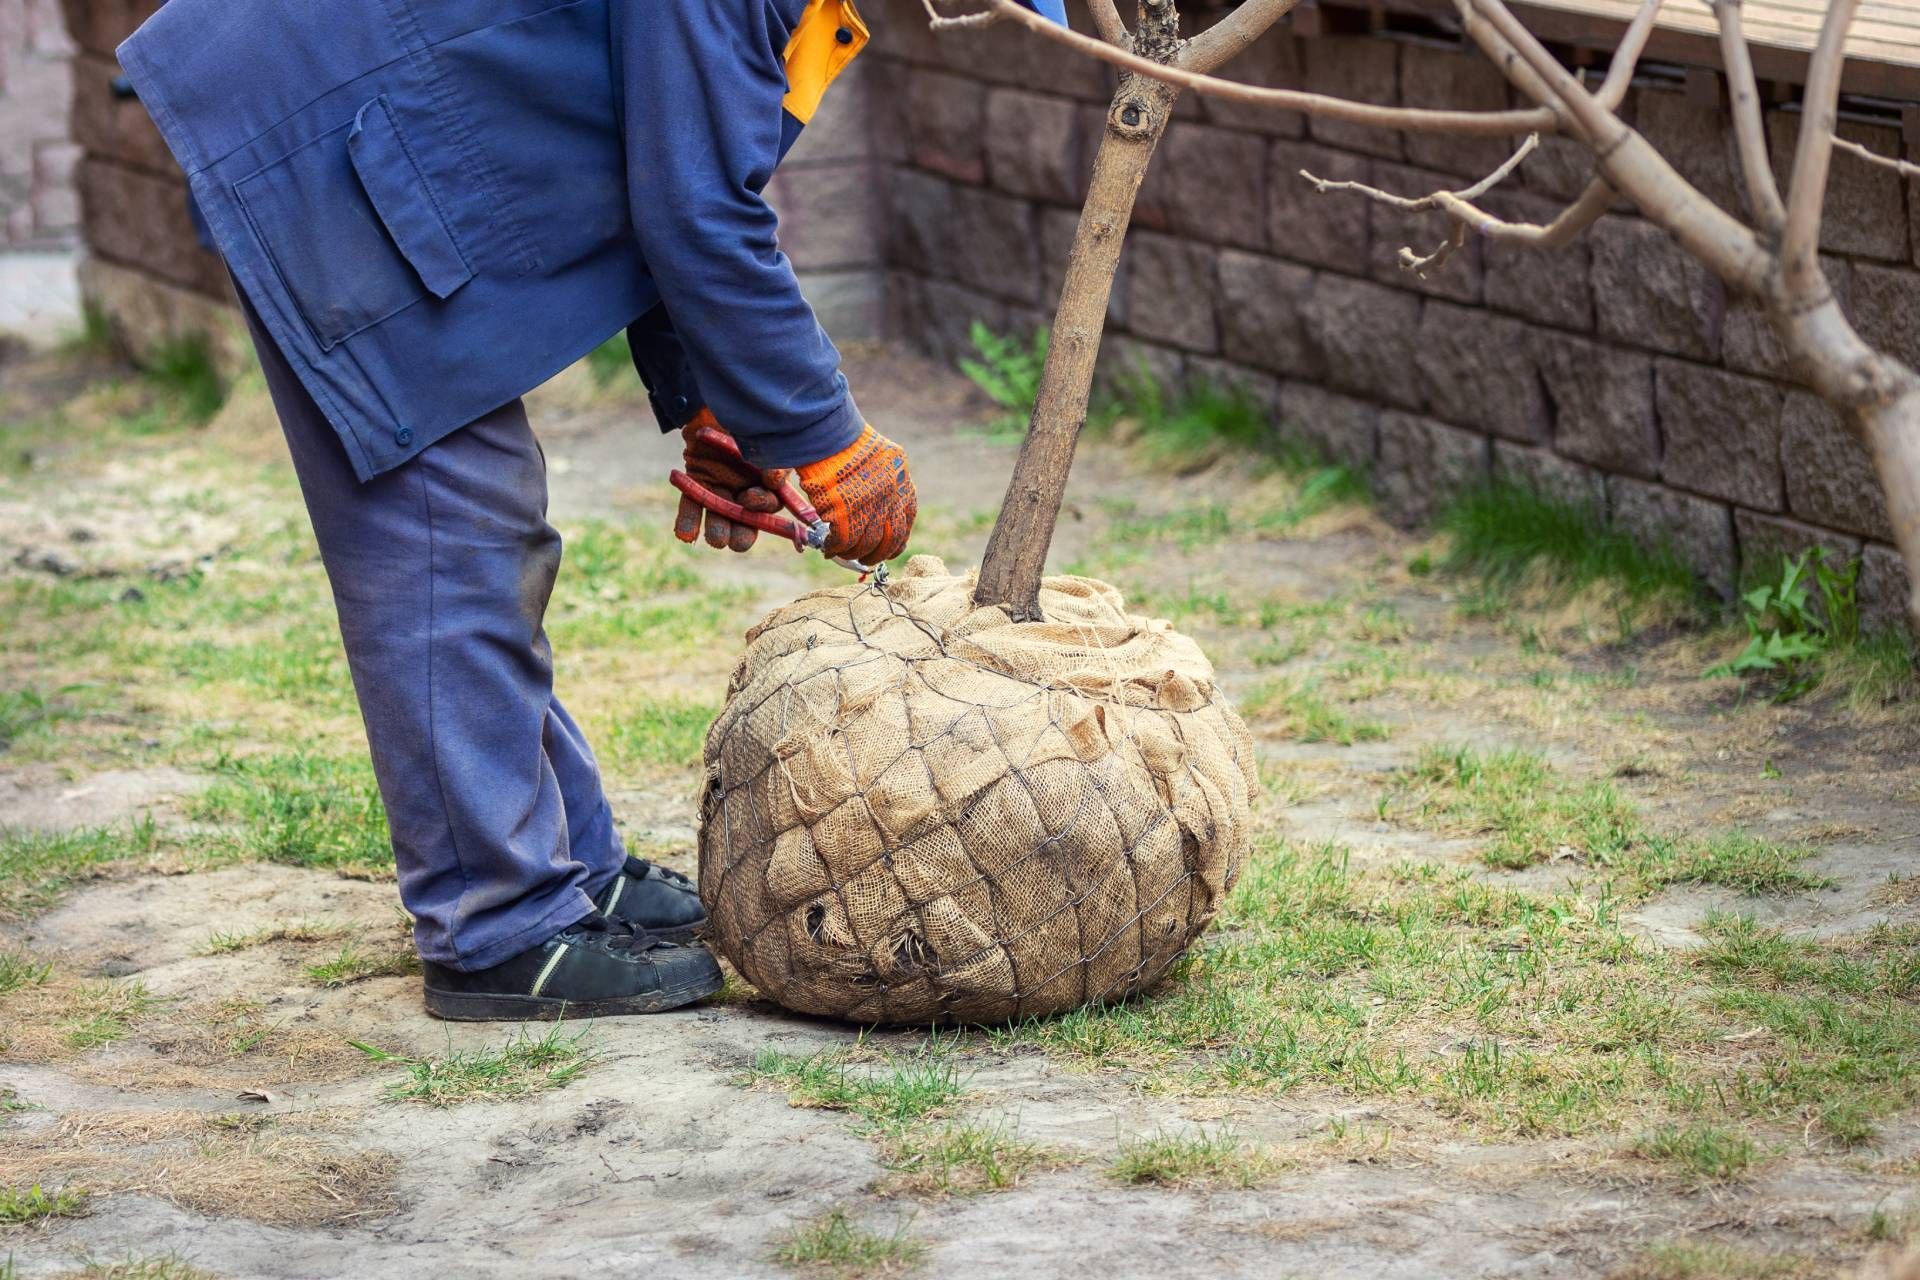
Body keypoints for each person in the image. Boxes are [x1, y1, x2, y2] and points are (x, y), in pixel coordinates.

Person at [111, 0, 1057, 1020]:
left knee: (480, 524)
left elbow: (656, 153)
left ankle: (565, 858)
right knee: (449, 527)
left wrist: (709, 398)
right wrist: (824, 437)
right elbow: (697, 213)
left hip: (379, 105)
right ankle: (496, 922)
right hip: (319, 119)